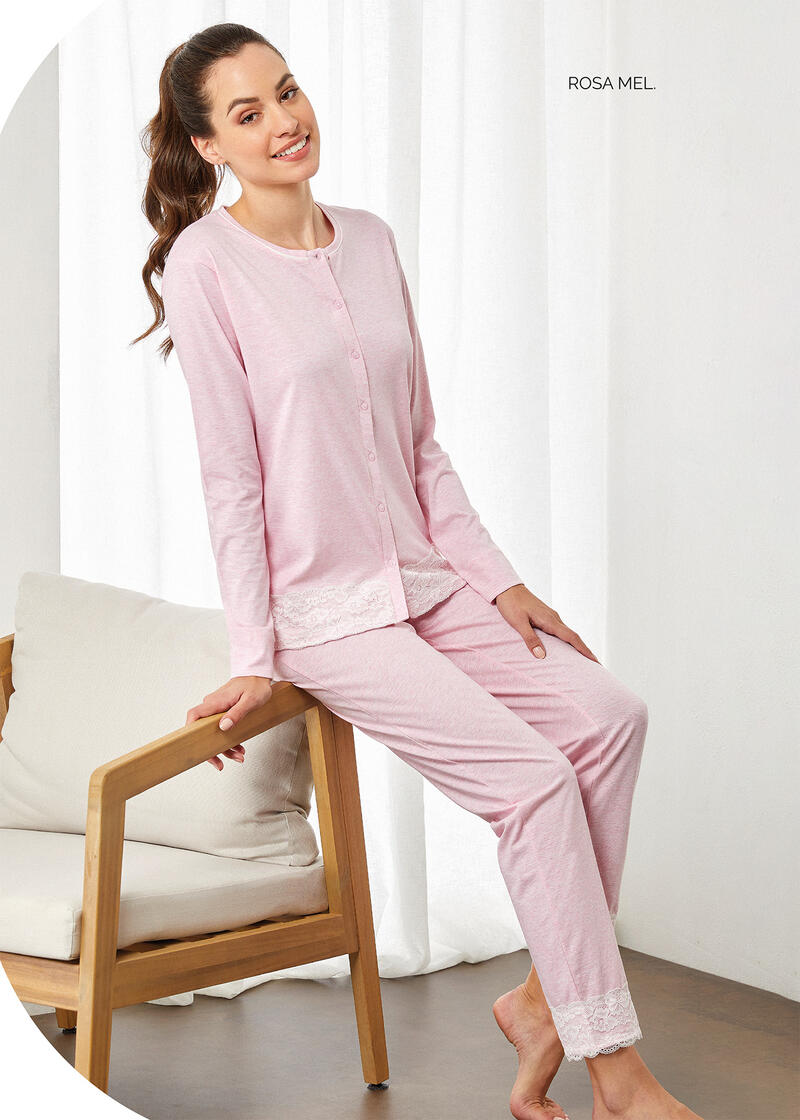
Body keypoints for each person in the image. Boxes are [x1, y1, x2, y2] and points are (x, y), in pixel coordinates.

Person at [131, 22, 703, 1120]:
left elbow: (420, 444)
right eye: (247, 112)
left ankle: (543, 998)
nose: (283, 120)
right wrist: (255, 653)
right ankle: (617, 1075)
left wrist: (498, 579)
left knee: (608, 717)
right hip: (327, 614)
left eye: (286, 91)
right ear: (209, 145)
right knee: (532, 784)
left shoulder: (370, 240)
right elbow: (231, 478)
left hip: (427, 577)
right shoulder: (207, 267)